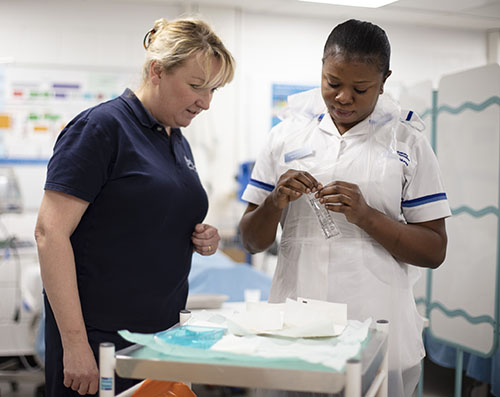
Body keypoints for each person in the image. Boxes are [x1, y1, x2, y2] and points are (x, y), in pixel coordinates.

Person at [239, 19, 450, 397]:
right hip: (295, 327)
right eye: (332, 83)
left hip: (376, 325)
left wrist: (367, 217)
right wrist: (273, 203)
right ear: (321, 68)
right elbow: (251, 241)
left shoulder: (407, 142)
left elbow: (434, 249)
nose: (342, 98)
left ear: (384, 81)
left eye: (360, 88)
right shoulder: (285, 135)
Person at [35, 17, 235, 396]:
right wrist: (76, 346)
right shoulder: (101, 129)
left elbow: (145, 215)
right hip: (100, 342)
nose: (206, 103)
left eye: (213, 90)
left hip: (161, 336)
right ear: (157, 70)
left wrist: (199, 234)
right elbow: (49, 233)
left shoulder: (175, 138)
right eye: (196, 86)